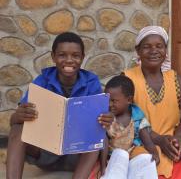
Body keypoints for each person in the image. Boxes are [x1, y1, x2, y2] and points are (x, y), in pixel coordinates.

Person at [6, 32, 113, 179]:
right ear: (53, 57)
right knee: (18, 129)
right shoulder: (42, 80)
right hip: (44, 152)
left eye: (75, 56)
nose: (69, 60)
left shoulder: (91, 82)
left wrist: (107, 119)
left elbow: (103, 123)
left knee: (95, 134)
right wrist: (18, 116)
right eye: (62, 55)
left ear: (82, 58)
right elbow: (13, 122)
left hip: (77, 154)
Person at [124, 26, 181, 179]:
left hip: (172, 142)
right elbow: (125, 119)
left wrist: (178, 137)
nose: (154, 51)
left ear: (166, 51)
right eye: (147, 47)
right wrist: (158, 140)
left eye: (159, 46)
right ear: (138, 51)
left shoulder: (175, 79)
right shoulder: (128, 79)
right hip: (140, 143)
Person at [97, 75, 159, 179]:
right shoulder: (107, 117)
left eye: (114, 101)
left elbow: (144, 134)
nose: (109, 104)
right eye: (107, 100)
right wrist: (103, 166)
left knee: (147, 159)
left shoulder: (136, 115)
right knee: (121, 154)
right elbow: (104, 141)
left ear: (129, 100)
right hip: (115, 156)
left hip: (134, 154)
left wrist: (154, 152)